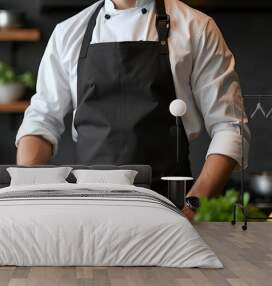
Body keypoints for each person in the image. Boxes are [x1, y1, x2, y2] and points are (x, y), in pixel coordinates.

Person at [15, 0, 250, 220]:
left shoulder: (196, 28)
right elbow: (41, 121)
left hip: (171, 211)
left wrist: (192, 206)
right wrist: (21, 194)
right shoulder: (68, 33)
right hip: (87, 213)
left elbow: (230, 127)